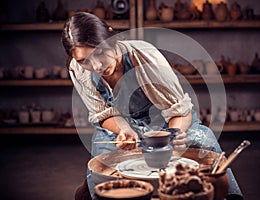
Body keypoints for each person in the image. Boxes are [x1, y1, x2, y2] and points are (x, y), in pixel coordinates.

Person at [61, 12, 243, 200]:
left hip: (165, 121)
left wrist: (172, 136)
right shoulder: (78, 69)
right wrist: (124, 130)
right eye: (86, 61)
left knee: (204, 141)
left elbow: (180, 110)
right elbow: (103, 113)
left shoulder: (144, 56)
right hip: (118, 128)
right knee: (100, 169)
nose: (97, 65)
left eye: (100, 52)